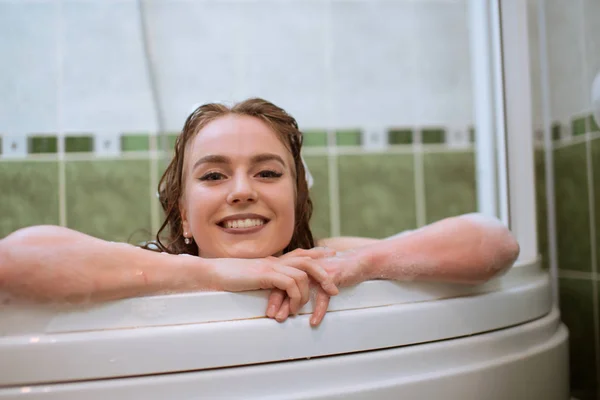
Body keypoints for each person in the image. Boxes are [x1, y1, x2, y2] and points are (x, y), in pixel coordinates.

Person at [0, 98, 520, 327]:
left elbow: (494, 242)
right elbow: (13, 261)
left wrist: (362, 265)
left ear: (296, 200)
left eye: (268, 173)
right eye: (213, 175)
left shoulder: (329, 262)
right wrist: (210, 271)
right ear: (183, 215)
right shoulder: (158, 266)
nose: (243, 190)